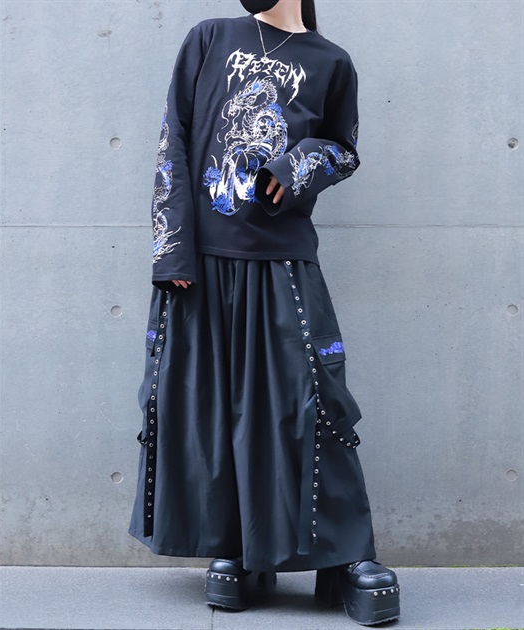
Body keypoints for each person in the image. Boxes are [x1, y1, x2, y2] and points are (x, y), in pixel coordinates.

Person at [128, 0, 401, 624]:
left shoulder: (332, 62)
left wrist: (300, 162)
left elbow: (344, 149)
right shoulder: (210, 38)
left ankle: (347, 553)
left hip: (282, 257)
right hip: (201, 263)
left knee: (312, 398)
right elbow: (174, 138)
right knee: (209, 405)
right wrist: (172, 250)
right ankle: (236, 548)